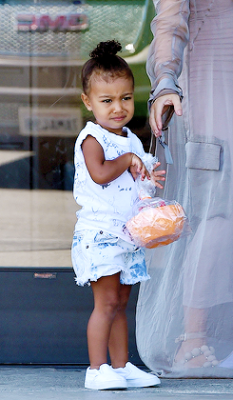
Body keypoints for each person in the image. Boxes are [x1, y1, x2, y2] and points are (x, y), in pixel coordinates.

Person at [136, 0, 233, 378]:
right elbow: (171, 18)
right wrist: (164, 81)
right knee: (218, 206)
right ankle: (192, 341)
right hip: (213, 73)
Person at [71, 40, 165, 390]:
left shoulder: (129, 139)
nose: (118, 108)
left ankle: (121, 366)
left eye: (125, 98)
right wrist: (128, 162)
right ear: (88, 102)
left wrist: (148, 176)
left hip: (126, 234)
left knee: (121, 302)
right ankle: (97, 369)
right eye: (106, 101)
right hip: (100, 234)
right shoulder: (93, 137)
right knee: (106, 302)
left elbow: (135, 178)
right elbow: (100, 173)